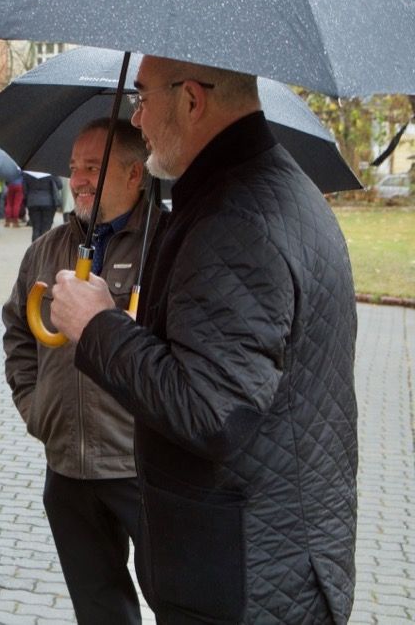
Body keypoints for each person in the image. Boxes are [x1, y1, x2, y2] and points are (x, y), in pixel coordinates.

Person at [50, 56, 358, 623]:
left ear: (191, 99)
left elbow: (211, 409)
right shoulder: (259, 189)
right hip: (264, 558)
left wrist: (98, 326)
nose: (136, 121)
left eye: (142, 100)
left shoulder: (236, 216)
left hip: (248, 579)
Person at [2, 118, 154, 625]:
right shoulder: (47, 250)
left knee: (183, 603)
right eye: (74, 168)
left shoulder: (168, 246)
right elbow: (17, 333)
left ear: (135, 174)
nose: (79, 179)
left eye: (94, 166)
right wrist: (36, 408)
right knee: (99, 611)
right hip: (66, 468)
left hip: (144, 468)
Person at [22, 170, 63, 241]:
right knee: (46, 228)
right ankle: (44, 249)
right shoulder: (51, 172)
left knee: (36, 228)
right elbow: (60, 185)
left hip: (33, 202)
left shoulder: (27, 173)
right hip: (48, 202)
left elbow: (24, 189)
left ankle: (35, 249)